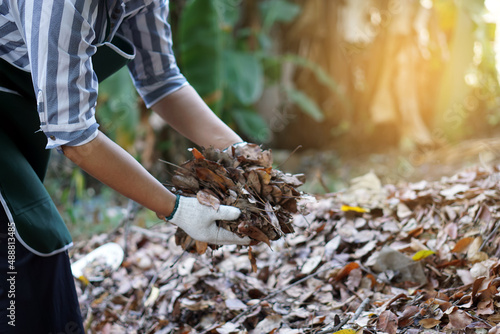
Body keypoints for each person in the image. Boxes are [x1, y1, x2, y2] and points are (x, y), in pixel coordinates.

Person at [0, 0, 250, 332]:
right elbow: (76, 139)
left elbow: (162, 82)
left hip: (17, 110)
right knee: (31, 247)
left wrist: (245, 156)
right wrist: (177, 210)